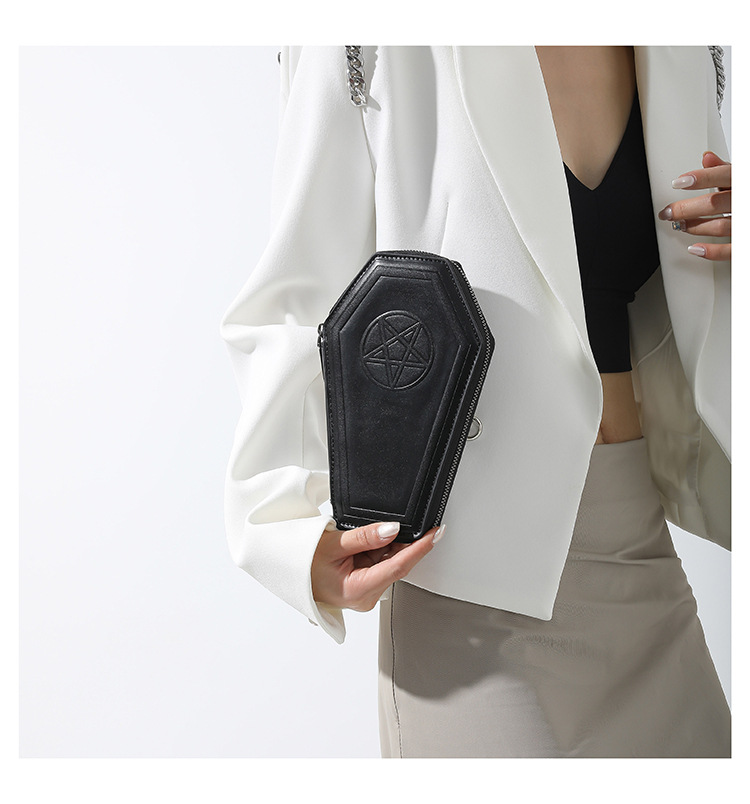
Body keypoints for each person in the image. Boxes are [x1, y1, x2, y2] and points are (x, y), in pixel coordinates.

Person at [221, 46, 731, 757]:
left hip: (638, 548)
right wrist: (289, 527)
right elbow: (296, 295)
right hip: (467, 582)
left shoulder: (682, 42)